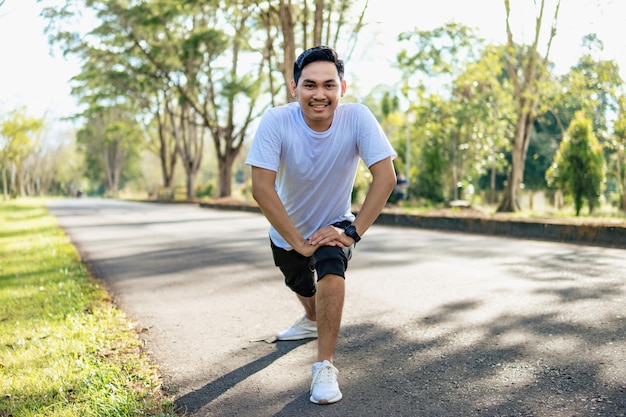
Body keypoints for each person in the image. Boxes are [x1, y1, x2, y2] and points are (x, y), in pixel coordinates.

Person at [245, 45, 397, 405]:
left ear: (342, 87)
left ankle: (324, 365)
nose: (320, 94)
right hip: (287, 232)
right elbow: (261, 188)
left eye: (329, 85)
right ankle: (310, 317)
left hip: (335, 223)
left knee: (331, 267)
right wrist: (296, 241)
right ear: (294, 87)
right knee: (302, 287)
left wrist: (351, 232)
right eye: (310, 85)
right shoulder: (276, 121)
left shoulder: (358, 118)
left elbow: (385, 178)